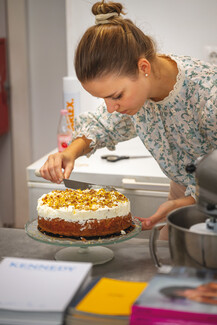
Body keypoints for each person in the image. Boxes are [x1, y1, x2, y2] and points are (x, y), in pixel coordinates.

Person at [40, 0, 217, 240]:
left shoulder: (208, 95)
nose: (111, 108)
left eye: (116, 96)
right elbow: (101, 125)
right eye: (104, 99)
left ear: (143, 67)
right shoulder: (140, 88)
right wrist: (69, 154)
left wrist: (185, 202)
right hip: (184, 191)